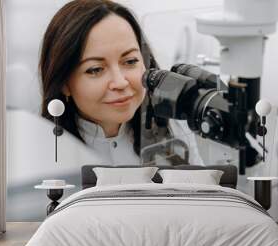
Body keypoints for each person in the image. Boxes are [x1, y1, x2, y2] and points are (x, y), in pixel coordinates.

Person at [40, 0, 203, 165]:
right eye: (95, 69)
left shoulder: (174, 128)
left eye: (130, 61)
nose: (120, 82)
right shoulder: (44, 153)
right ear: (64, 84)